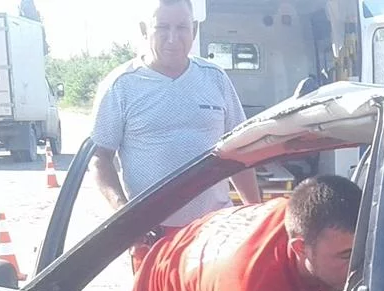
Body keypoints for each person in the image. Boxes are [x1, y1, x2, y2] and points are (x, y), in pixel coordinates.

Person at [90, 0, 261, 268]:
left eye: (181, 27)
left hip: (215, 233)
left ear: (194, 29)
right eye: (162, 27)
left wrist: (256, 215)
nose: (172, 38)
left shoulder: (215, 79)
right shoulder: (120, 86)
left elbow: (240, 150)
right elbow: (100, 159)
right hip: (152, 237)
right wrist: (124, 217)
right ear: (144, 30)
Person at [127, 175, 361, 291]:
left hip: (199, 255)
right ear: (300, 248)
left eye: (362, 250)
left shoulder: (304, 214)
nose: (358, 264)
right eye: (346, 255)